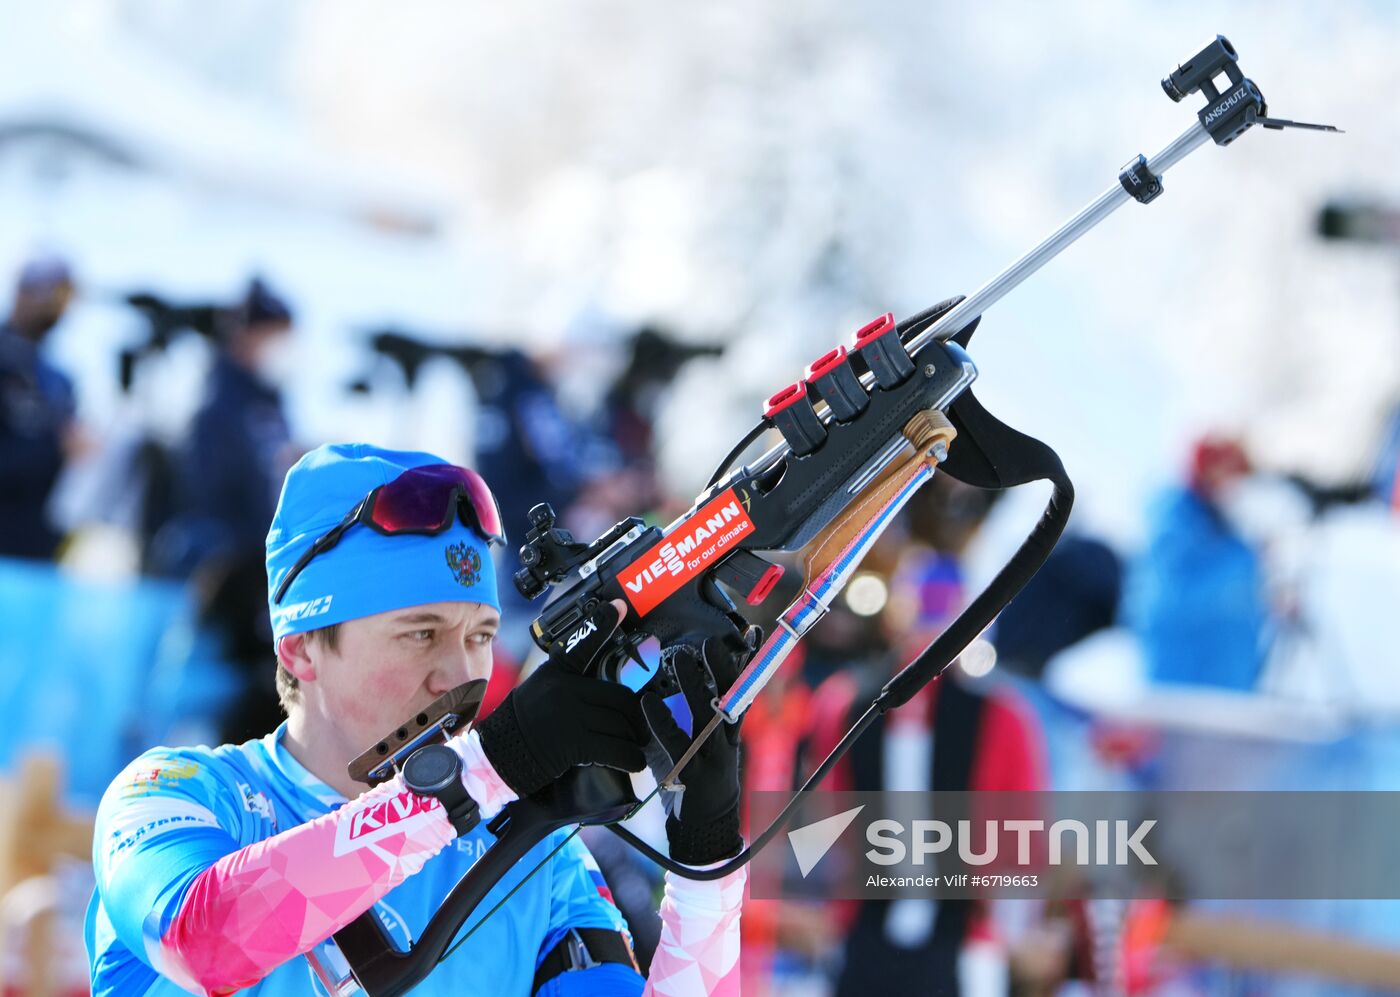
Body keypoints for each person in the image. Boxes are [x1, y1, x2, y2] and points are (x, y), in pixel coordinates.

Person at [86, 444, 746, 995]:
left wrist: (705, 867)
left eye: (481, 635)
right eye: (420, 634)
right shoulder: (180, 793)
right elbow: (206, 940)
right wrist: (487, 769)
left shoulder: (534, 854)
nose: (460, 675)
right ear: (301, 648)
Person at [0, 254, 79, 559]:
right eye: (49, 295)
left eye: (64, 297)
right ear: (22, 292)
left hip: (40, 543)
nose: (56, 307)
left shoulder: (59, 379)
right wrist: (55, 447)